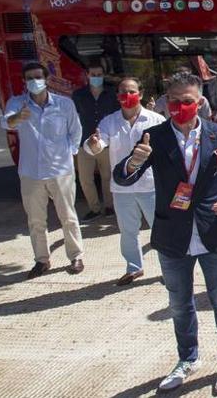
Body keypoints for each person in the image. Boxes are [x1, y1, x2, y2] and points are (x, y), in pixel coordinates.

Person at [112, 71, 217, 394]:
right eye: (174, 102)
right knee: (179, 303)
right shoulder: (155, 137)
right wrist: (133, 163)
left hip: (212, 231)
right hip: (171, 234)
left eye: (187, 101)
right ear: (166, 102)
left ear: (200, 102)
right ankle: (187, 359)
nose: (180, 107)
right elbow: (123, 177)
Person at [2, 62, 85, 279]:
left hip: (61, 171)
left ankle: (75, 256)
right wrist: (18, 117)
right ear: (24, 81)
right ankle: (42, 260)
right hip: (31, 172)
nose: (34, 81)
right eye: (29, 78)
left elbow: (75, 131)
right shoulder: (17, 103)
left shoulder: (63, 104)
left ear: (46, 79)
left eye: (38, 77)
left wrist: (70, 153)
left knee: (68, 216)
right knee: (36, 220)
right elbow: (7, 123)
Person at [83, 76, 166, 285]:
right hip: (122, 188)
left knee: (161, 230)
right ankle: (134, 268)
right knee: (128, 232)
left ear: (141, 93)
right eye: (122, 92)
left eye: (131, 91)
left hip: (151, 186)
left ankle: (169, 269)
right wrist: (93, 144)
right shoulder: (110, 121)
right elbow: (97, 144)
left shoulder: (156, 120)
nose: (127, 96)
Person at [71, 62, 118, 220]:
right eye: (93, 75)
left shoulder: (112, 94)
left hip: (106, 143)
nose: (96, 77)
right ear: (87, 75)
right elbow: (73, 118)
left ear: (103, 76)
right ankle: (94, 208)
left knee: (107, 177)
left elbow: (117, 117)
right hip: (84, 143)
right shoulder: (78, 95)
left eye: (99, 75)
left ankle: (109, 207)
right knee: (85, 179)